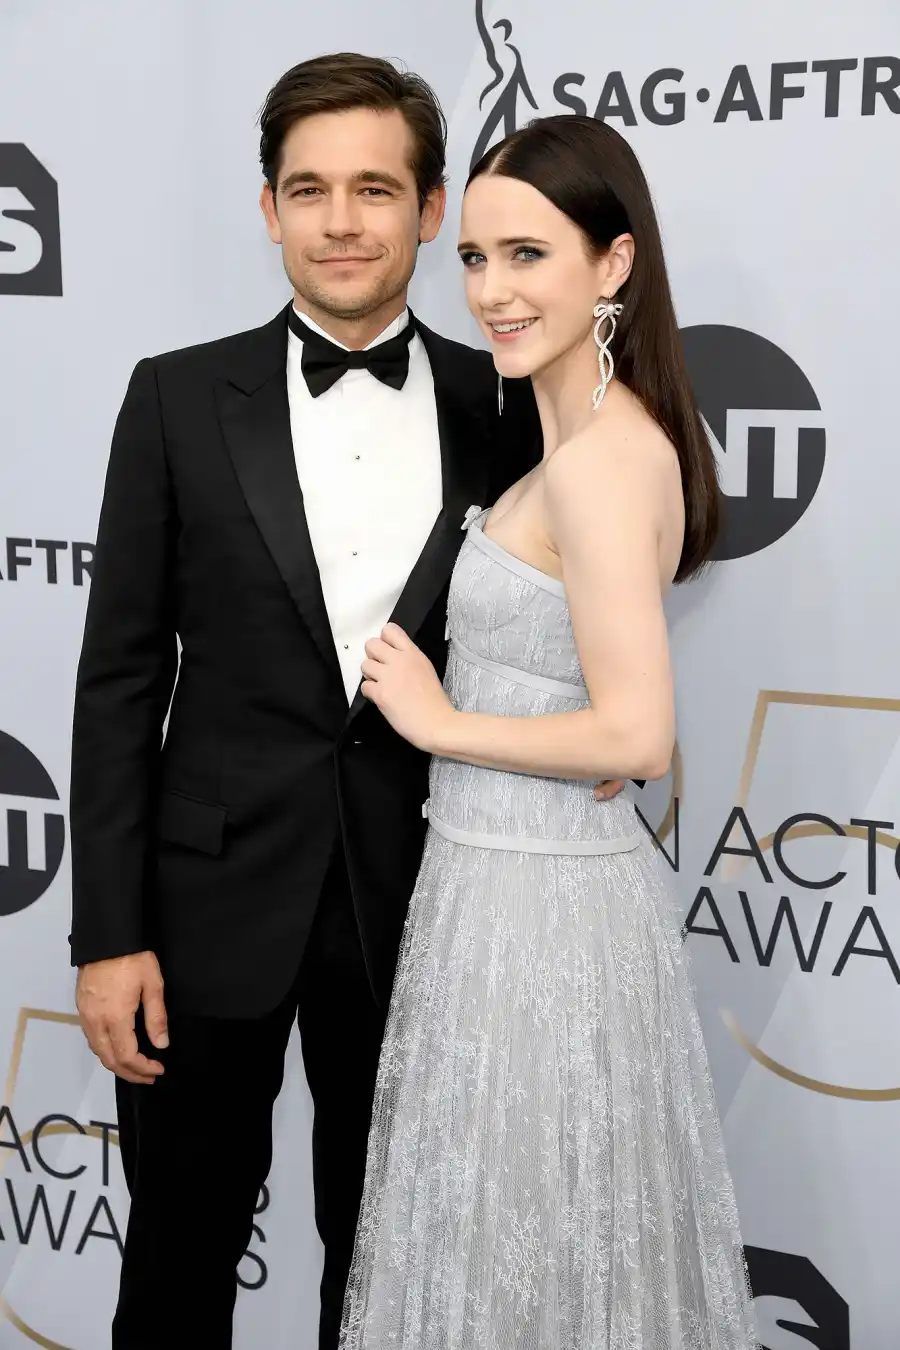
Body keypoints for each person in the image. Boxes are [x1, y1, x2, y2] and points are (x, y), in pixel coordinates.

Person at [68, 56, 625, 1350]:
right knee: (176, 1259)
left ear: (433, 210)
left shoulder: (510, 400)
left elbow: (577, 590)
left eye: (376, 188)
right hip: (202, 911)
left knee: (388, 1270)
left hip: (427, 902)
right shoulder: (172, 396)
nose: (341, 221)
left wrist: (609, 722)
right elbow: (117, 681)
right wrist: (108, 932)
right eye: (309, 189)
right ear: (267, 209)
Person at [338, 115, 759, 1348]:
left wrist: (442, 720)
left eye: (527, 256)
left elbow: (637, 736)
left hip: (539, 915)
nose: (491, 293)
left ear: (613, 265)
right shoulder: (574, 443)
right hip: (506, 890)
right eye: (471, 260)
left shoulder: (599, 463)